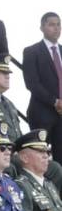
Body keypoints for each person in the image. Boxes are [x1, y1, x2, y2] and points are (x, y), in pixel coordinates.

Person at [0, 53, 62, 191]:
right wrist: (11, 150)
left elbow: (19, 135)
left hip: (16, 153)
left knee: (55, 168)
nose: (7, 75)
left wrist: (28, 150)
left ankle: (50, 207)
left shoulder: (8, 103)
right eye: (2, 72)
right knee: (14, 165)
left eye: (8, 72)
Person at [23, 12, 62, 165]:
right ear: (42, 27)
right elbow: (32, 83)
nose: (56, 28)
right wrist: (55, 102)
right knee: (40, 159)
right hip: (42, 113)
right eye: (52, 24)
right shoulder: (32, 51)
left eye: (58, 24)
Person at [15, 129, 62, 211]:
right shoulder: (21, 185)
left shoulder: (48, 183)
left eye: (46, 151)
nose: (46, 155)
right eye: (40, 151)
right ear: (24, 157)